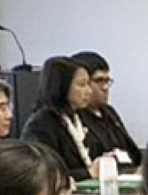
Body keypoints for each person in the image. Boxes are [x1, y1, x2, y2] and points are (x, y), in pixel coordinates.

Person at [21, 55, 96, 183]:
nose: (89, 91)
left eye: (88, 84)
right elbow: (44, 171)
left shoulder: (80, 116)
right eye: (82, 85)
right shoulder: (41, 124)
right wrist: (87, 173)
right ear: (62, 86)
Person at [71, 50, 142, 169]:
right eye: (99, 81)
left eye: (107, 81)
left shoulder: (109, 113)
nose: (105, 88)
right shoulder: (73, 118)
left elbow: (132, 152)